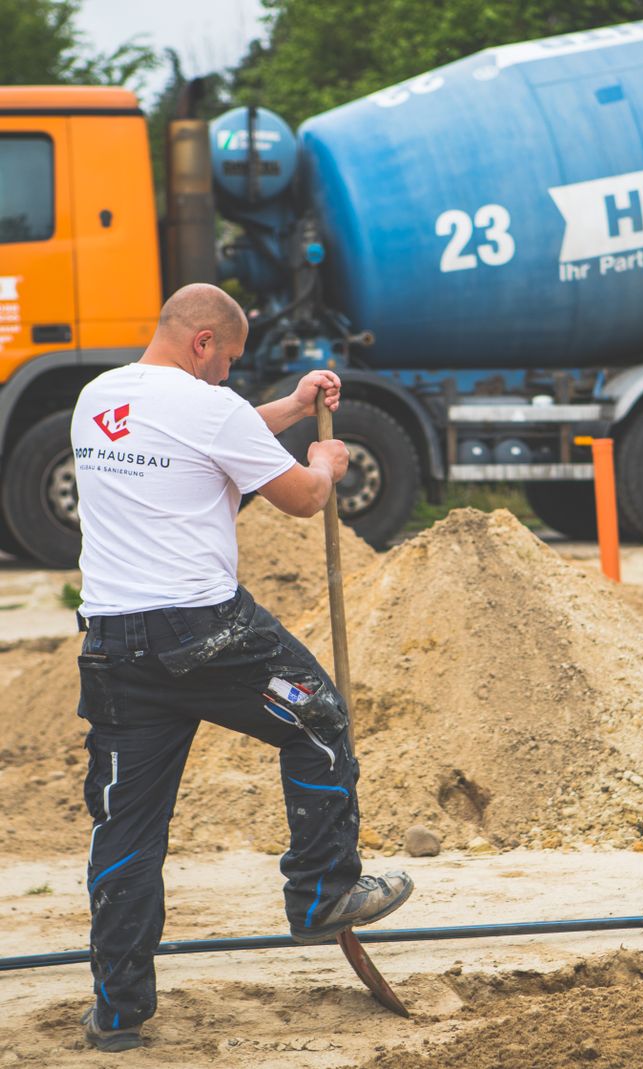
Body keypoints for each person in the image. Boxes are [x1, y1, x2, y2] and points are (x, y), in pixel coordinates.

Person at [70, 283, 413, 1053]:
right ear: (201, 344)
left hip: (113, 649)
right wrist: (321, 459)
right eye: (227, 358)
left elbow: (211, 438)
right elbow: (298, 496)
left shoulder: (99, 398)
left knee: (126, 831)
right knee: (318, 715)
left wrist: (290, 408)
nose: (228, 373)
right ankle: (323, 890)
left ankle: (117, 1012)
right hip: (208, 636)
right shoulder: (207, 406)